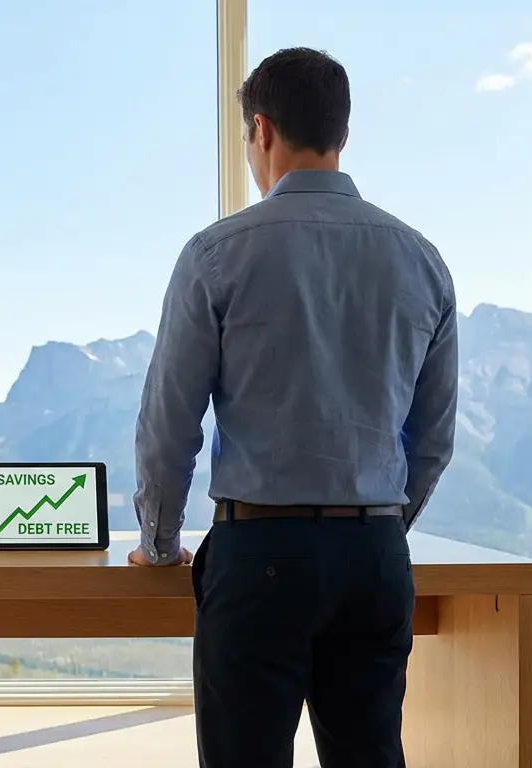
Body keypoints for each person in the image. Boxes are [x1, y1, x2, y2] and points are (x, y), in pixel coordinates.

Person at [128, 47, 458, 767]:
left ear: (262, 130)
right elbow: (432, 439)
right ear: (342, 132)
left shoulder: (215, 254)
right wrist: (379, 527)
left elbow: (169, 426)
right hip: (374, 557)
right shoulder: (422, 259)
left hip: (259, 556)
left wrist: (159, 541)